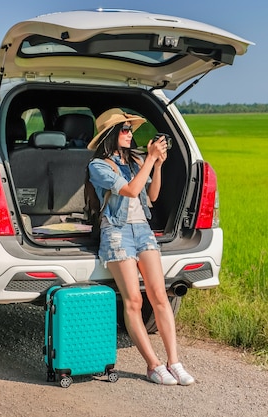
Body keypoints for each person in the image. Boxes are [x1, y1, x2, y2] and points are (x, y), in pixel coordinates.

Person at [87, 108, 194, 386]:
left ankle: (175, 361)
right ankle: (153, 365)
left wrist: (157, 165)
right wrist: (149, 159)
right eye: (124, 129)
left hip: (143, 231)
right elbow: (131, 191)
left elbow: (151, 196)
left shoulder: (135, 161)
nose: (129, 133)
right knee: (133, 300)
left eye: (130, 129)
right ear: (110, 135)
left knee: (159, 295)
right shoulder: (98, 166)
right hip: (117, 233)